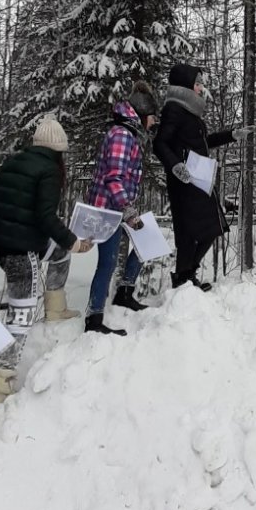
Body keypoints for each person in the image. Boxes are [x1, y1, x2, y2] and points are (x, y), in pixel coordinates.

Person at [0, 115, 93, 401]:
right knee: (21, 316)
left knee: (59, 253)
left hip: (3, 245)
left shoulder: (15, 161)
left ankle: (56, 308)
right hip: (21, 251)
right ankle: (0, 385)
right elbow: (45, 217)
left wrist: (0, 225)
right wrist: (75, 242)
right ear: (59, 150)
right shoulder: (50, 170)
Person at [153, 62, 241, 291]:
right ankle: (184, 278)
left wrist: (232, 135)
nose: (201, 88)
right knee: (191, 230)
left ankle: (186, 275)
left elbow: (204, 142)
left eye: (201, 84)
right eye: (197, 83)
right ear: (185, 85)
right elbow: (160, 143)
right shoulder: (173, 109)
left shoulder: (190, 113)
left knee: (212, 227)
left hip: (199, 176)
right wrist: (175, 166)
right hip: (184, 178)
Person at [84, 82, 160, 337]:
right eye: (152, 117)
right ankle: (93, 318)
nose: (154, 122)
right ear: (140, 113)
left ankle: (124, 293)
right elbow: (113, 177)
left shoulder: (129, 134)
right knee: (106, 263)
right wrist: (127, 209)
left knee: (147, 240)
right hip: (108, 209)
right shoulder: (121, 135)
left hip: (118, 207)